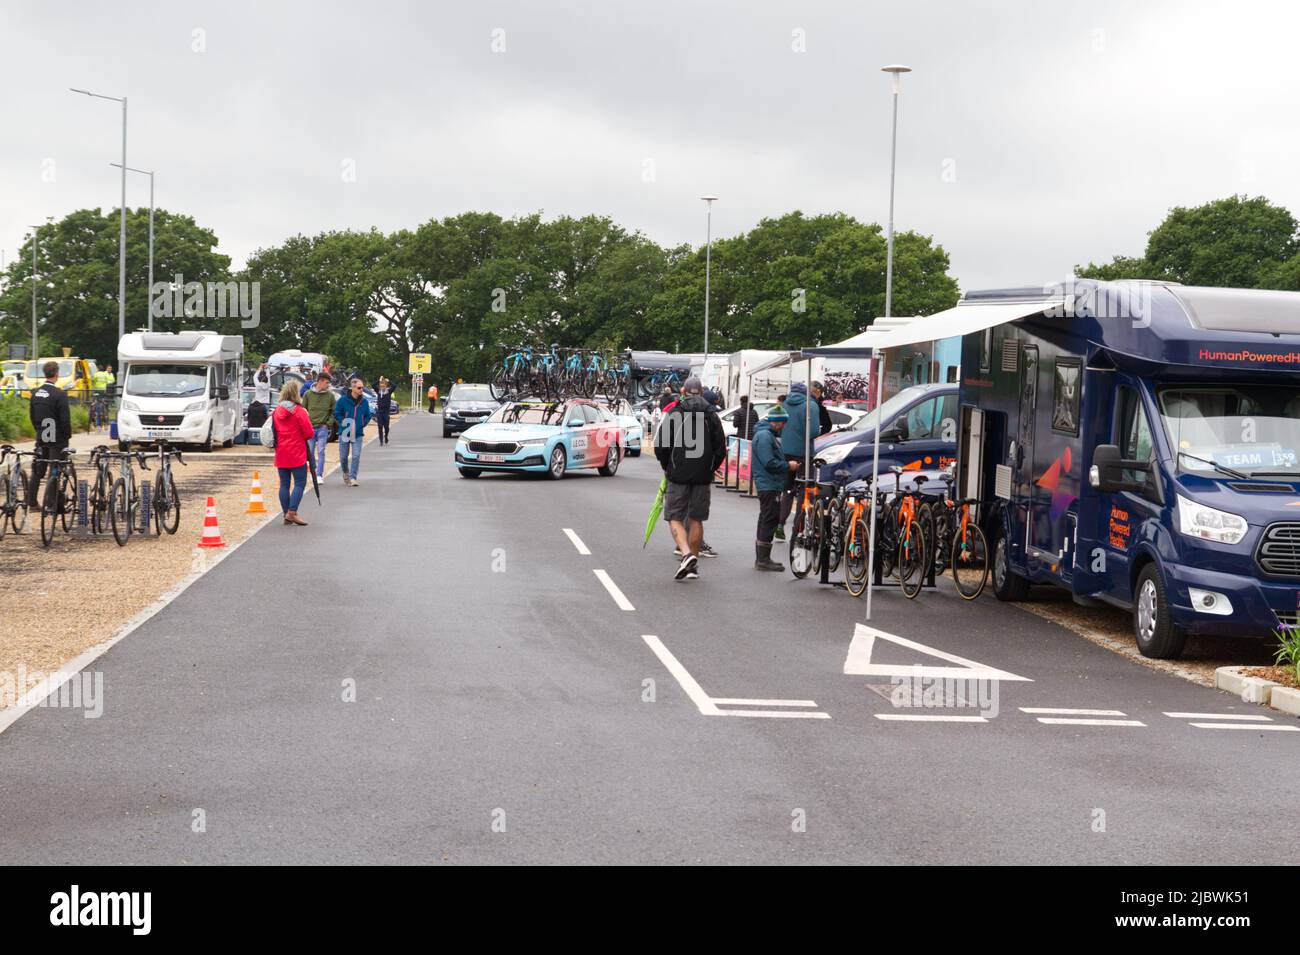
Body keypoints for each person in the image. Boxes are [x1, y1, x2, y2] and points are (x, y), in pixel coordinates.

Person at [655, 376, 725, 581]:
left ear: (683, 392)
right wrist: (711, 468)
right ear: (702, 393)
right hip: (703, 476)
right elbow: (720, 448)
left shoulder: (675, 413)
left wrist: (667, 467)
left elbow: (661, 446)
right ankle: (693, 565)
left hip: (678, 474)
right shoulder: (711, 415)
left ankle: (686, 554)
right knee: (696, 519)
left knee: (674, 517)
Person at [752, 405, 800, 571]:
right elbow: (769, 463)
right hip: (768, 483)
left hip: (768, 483)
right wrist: (789, 466)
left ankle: (762, 558)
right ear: (776, 422)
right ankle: (763, 559)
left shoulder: (764, 435)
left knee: (766, 517)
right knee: (770, 517)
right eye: (783, 422)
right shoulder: (765, 437)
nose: (784, 426)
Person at [777, 381, 823, 541]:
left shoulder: (784, 405)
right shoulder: (810, 405)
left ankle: (780, 524)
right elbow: (814, 431)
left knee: (788, 490)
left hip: (785, 452)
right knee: (804, 491)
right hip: (804, 454)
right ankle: (798, 529)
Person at [271, 380, 315, 526]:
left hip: (281, 451)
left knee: (284, 484)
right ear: (296, 393)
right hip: (296, 452)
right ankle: (292, 512)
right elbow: (309, 433)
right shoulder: (299, 411)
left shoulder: (277, 411)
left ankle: (285, 514)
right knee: (300, 482)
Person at [27, 360, 71, 507]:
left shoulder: (35, 393)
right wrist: (67, 436)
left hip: (42, 435)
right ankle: (50, 503)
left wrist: (39, 430)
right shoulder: (59, 394)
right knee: (54, 468)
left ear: (45, 374)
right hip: (56, 437)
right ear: (57, 374)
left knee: (38, 470)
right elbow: (65, 419)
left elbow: (32, 416)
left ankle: (31, 502)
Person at [333, 377, 373, 487]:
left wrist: (362, 424)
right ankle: (345, 472)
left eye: (362, 388)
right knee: (343, 457)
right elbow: (336, 413)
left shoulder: (364, 401)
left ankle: (353, 477)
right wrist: (343, 422)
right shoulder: (342, 400)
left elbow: (368, 415)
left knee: (356, 456)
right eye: (359, 388)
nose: (361, 390)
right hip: (345, 431)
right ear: (353, 388)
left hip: (358, 432)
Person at [301, 371, 335, 475]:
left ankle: (319, 474)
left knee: (321, 451)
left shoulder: (330, 395)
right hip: (310, 428)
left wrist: (328, 423)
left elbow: (333, 411)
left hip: (323, 428)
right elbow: (303, 410)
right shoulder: (308, 394)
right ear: (320, 381)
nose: (328, 384)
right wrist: (306, 424)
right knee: (310, 452)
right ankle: (312, 472)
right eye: (326, 382)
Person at [375, 376, 395, 445]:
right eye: (381, 386)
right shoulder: (378, 391)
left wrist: (389, 381)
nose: (382, 387)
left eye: (383, 386)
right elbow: (373, 385)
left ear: (386, 386)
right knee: (380, 426)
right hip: (379, 411)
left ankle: (386, 436)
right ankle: (381, 440)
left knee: (386, 427)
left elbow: (394, 386)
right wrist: (379, 380)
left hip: (386, 412)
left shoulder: (388, 391)